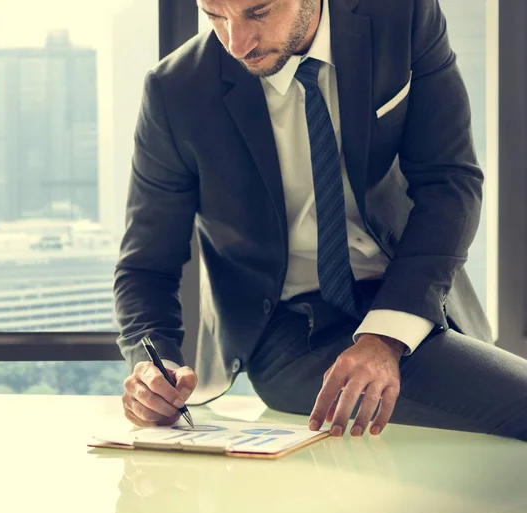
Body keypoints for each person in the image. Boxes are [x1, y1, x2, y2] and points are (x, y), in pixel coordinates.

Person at [115, 0, 527, 441]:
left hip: (409, 294)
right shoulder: (176, 89)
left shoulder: (402, 18)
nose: (236, 43)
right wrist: (155, 367)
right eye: (214, 15)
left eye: (258, 12)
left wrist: (386, 336)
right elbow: (145, 265)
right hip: (290, 330)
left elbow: (450, 181)